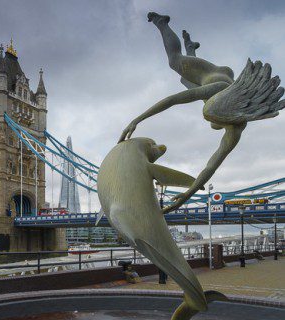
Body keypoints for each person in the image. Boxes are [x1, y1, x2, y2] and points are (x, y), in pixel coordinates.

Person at [120, 12, 285, 213]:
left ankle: (191, 47)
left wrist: (189, 193)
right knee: (174, 62)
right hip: (214, 75)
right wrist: (137, 120)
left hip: (217, 80)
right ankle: (162, 23)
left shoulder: (235, 127)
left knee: (187, 81)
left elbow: (211, 166)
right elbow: (173, 100)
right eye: (211, 120)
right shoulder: (218, 96)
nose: (211, 124)